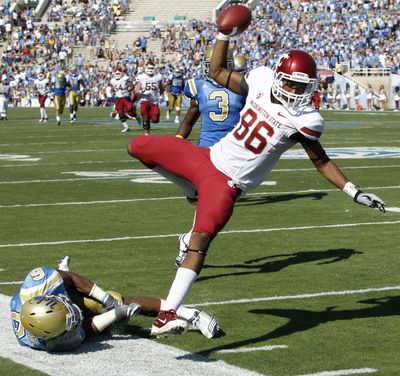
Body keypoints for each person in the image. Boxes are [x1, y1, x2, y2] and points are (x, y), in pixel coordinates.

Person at [127, 23, 386, 336]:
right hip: (206, 158)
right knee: (138, 146)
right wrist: (223, 34)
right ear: (277, 76)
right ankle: (191, 190)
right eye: (289, 84)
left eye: (300, 87)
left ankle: (168, 313)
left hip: (226, 184)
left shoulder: (305, 120)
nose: (294, 92)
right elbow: (219, 71)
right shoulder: (260, 82)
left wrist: (352, 191)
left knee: (199, 242)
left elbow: (320, 160)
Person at [174, 48, 246, 266]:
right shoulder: (198, 86)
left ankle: (188, 240)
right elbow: (190, 118)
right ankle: (189, 245)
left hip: (232, 152)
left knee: (219, 205)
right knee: (205, 201)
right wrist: (177, 141)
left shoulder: (243, 88)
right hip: (206, 151)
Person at [10, 262, 141, 352]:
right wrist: (116, 314)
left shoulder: (38, 284)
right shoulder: (52, 342)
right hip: (49, 318)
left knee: (112, 299)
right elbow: (85, 328)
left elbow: (72, 278)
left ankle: (62, 278)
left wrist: (107, 299)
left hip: (48, 295)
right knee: (101, 323)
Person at [135, 61, 164, 135]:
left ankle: (149, 119)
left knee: (155, 119)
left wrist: (161, 96)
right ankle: (146, 134)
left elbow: (161, 87)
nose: (150, 69)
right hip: (144, 100)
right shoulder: (142, 77)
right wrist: (140, 91)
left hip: (154, 101)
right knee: (145, 116)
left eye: (152, 68)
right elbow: (137, 89)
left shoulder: (158, 76)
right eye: (149, 68)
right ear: (146, 68)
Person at [110, 68, 141, 133]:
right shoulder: (112, 81)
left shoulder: (125, 79)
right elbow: (114, 88)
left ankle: (137, 117)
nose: (117, 75)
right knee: (120, 113)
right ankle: (126, 127)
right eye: (116, 73)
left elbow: (132, 86)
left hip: (125, 98)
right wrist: (113, 90)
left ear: (121, 73)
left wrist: (127, 91)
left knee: (130, 111)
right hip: (118, 98)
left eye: (118, 73)